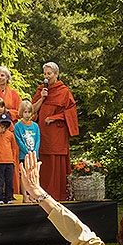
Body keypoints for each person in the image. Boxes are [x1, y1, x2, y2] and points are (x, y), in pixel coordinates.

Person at [31, 62, 79, 200]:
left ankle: (58, 195)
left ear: (56, 74)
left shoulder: (64, 91)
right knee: (43, 162)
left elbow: (71, 113)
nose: (46, 77)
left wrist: (54, 117)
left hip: (57, 133)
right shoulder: (41, 90)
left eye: (49, 74)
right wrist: (42, 98)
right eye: (44, 74)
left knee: (55, 162)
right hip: (42, 133)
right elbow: (32, 110)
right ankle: (41, 194)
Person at [14, 99, 40, 202]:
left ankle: (33, 195)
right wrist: (26, 151)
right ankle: (25, 196)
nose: (27, 114)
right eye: (25, 112)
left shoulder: (35, 126)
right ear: (21, 112)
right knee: (24, 175)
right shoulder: (18, 126)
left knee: (33, 174)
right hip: (23, 155)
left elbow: (37, 140)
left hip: (34, 155)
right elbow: (18, 140)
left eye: (29, 112)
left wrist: (34, 152)